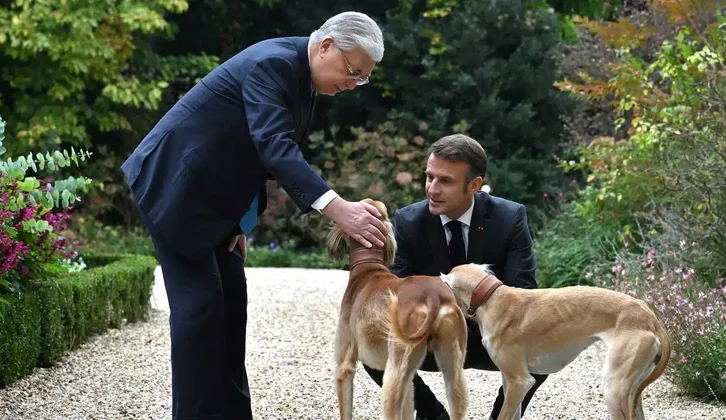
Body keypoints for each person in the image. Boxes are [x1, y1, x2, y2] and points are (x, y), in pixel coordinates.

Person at [120, 11, 388, 420]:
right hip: (176, 187)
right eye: (352, 71)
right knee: (200, 311)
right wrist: (339, 211)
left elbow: (252, 156)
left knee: (232, 304)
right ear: (327, 45)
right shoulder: (273, 64)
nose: (353, 84)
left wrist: (240, 222)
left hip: (216, 202)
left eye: (362, 78)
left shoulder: (304, 78)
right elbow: (274, 147)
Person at [362, 134, 549, 420]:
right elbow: (393, 296)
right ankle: (433, 415)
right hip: (431, 335)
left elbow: (523, 291)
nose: (432, 189)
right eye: (429, 177)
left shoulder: (509, 218)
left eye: (445, 181)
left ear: (474, 185)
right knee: (373, 352)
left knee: (543, 354)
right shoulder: (408, 222)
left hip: (490, 335)